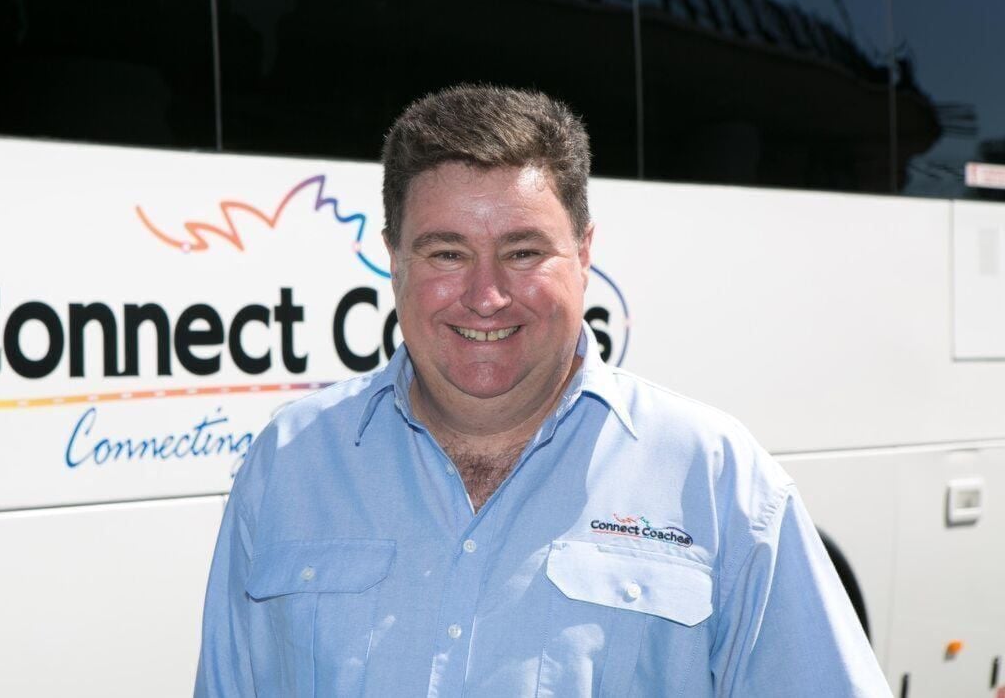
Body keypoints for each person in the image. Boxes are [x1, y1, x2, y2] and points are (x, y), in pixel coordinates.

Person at [195, 84, 889, 696]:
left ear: (584, 253)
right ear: (395, 258)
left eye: (523, 252)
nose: (486, 296)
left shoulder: (717, 479)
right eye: (447, 253)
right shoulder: (288, 463)